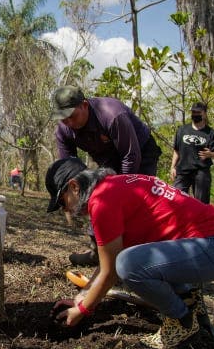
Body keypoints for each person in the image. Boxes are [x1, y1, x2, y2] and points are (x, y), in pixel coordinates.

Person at [46, 157, 214, 349]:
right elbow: (107, 261)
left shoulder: (102, 202)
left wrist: (81, 310)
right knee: (132, 260)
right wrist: (82, 296)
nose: (67, 210)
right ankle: (190, 303)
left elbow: (111, 271)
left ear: (74, 186)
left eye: (63, 202)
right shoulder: (115, 186)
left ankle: (181, 322)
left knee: (128, 264)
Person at [52, 85, 162, 266]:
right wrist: (69, 198)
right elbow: (69, 169)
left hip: (140, 153)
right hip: (108, 159)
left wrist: (122, 192)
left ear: (85, 105)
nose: (68, 122)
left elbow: (130, 155)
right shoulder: (63, 131)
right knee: (99, 198)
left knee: (134, 203)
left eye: (72, 116)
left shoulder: (112, 115)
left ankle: (136, 259)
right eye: (63, 119)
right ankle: (98, 252)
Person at [170, 102, 214, 204]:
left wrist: (211, 154)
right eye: (193, 112)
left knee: (201, 204)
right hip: (182, 171)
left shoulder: (210, 133)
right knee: (176, 200)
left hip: (201, 172)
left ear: (204, 114)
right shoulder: (182, 130)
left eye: (198, 112)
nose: (195, 114)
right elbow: (176, 150)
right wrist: (173, 166)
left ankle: (200, 220)